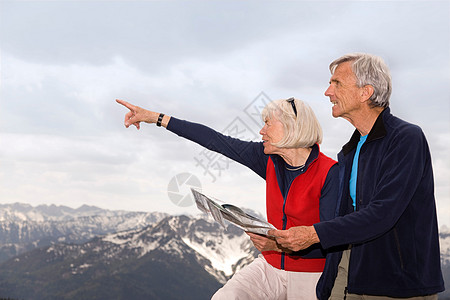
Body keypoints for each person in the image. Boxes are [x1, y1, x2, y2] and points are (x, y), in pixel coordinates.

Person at [116, 97, 339, 299]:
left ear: (292, 128)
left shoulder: (330, 173)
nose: (262, 131)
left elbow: (332, 239)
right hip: (271, 265)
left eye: (268, 123)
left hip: (312, 274)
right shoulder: (267, 159)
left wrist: (281, 245)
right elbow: (216, 140)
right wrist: (155, 118)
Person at [269, 53, 445, 299]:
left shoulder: (406, 138)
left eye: (337, 83)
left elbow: (383, 213)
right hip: (352, 275)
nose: (327, 92)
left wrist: (312, 233)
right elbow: (345, 219)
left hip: (397, 285)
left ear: (366, 92)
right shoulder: (350, 151)